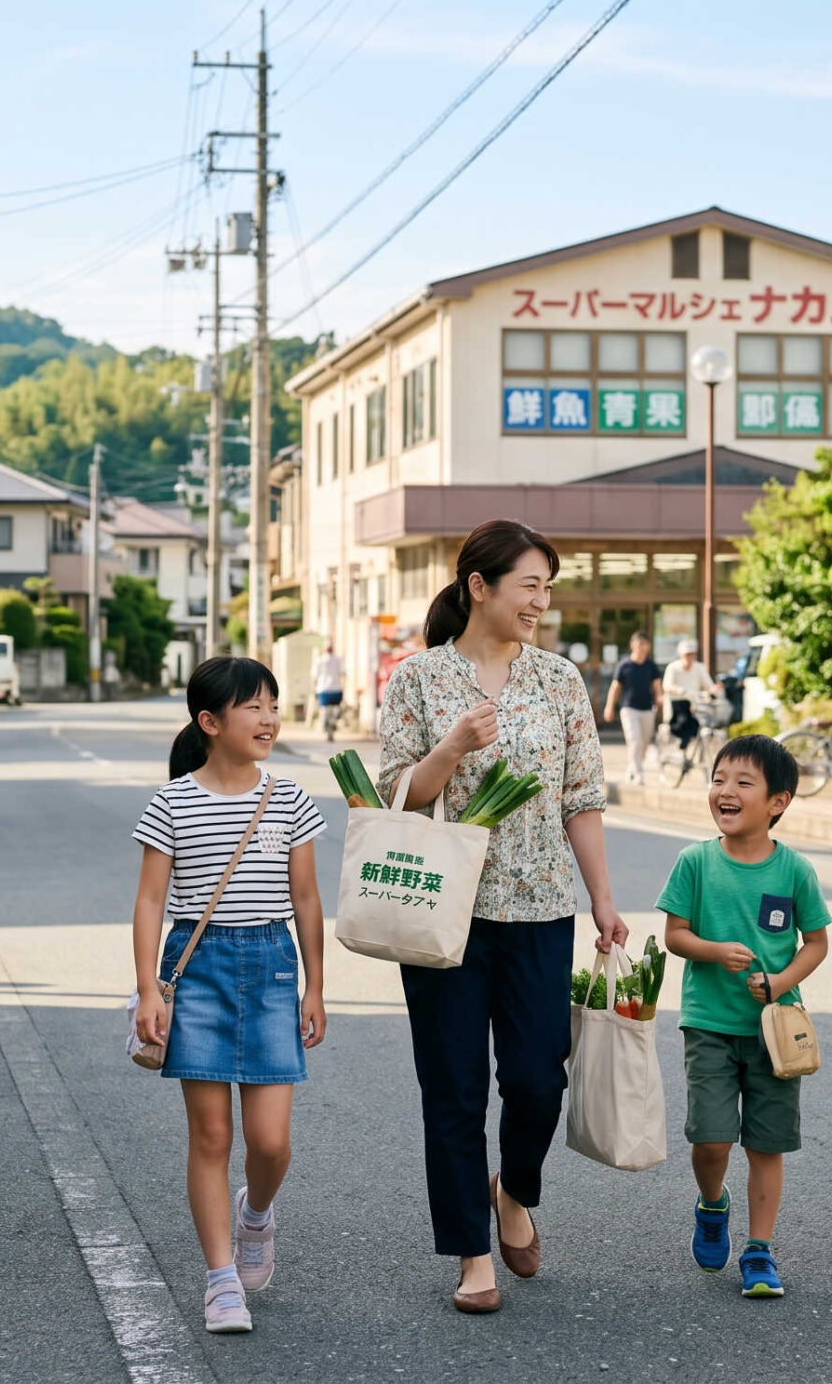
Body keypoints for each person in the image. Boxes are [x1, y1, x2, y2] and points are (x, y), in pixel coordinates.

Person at [374, 519, 622, 1315]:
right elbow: (389, 795)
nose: (541, 602)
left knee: (536, 1080)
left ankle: (513, 1190)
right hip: (441, 913)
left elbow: (581, 797)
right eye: (530, 586)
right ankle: (472, 1254)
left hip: (542, 908)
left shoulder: (558, 681)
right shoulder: (417, 680)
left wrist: (605, 900)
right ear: (479, 586)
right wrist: (449, 749)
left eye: (548, 588)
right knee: (451, 1087)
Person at [129, 656, 329, 1335]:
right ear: (209, 722)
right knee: (211, 1134)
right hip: (200, 968)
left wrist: (316, 986)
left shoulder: (290, 798)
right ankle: (221, 1280)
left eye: (274, 703)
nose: (269, 717)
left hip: (273, 967)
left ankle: (256, 1213)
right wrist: (146, 991)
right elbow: (151, 900)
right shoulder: (173, 801)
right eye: (253, 706)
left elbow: (306, 897)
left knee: (271, 1142)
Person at [657, 734, 829, 1300]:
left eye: (742, 783)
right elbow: (674, 936)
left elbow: (816, 944)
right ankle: (712, 1204)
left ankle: (759, 1250)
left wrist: (780, 983)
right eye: (718, 780)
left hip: (774, 1032)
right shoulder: (695, 862)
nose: (724, 792)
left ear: (777, 802)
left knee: (766, 1143)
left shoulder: (795, 871)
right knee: (710, 1139)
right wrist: (715, 950)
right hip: (708, 1022)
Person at [601, 633, 661, 784]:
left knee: (645, 743)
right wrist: (609, 707)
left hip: (647, 708)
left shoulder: (650, 665)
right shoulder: (624, 665)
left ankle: (632, 766)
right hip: (629, 708)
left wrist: (660, 697)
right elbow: (615, 687)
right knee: (635, 740)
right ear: (632, 645)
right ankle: (639, 773)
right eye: (639, 644)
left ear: (648, 647)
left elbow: (657, 685)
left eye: (645, 644)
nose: (642, 647)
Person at [662, 639, 720, 754]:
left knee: (703, 723)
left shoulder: (699, 667)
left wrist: (714, 691)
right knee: (683, 723)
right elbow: (667, 685)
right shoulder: (673, 667)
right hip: (678, 703)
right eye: (687, 654)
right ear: (680, 654)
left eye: (692, 654)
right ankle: (683, 746)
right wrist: (679, 690)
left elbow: (708, 685)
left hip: (695, 703)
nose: (689, 657)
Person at [314, 644, 347, 741]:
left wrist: (314, 689)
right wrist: (343, 688)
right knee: (335, 709)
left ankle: (326, 726)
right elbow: (343, 674)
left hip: (323, 689)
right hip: (336, 689)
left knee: (324, 710)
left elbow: (315, 676)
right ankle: (332, 724)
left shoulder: (319, 660)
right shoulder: (338, 659)